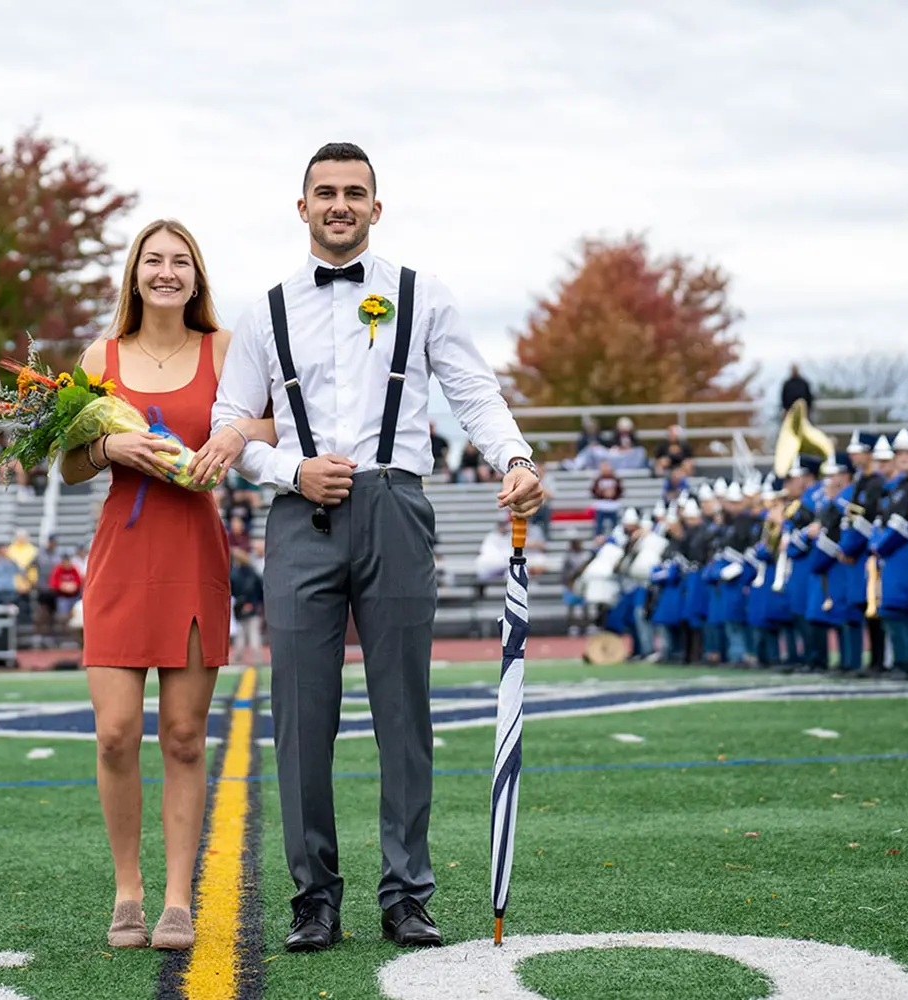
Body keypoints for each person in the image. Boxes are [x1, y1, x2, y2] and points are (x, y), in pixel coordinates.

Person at [200, 143, 547, 953]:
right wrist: (291, 468)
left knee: (403, 713)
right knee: (300, 717)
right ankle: (313, 896)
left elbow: (473, 392)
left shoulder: (423, 297)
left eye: (355, 193)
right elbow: (227, 426)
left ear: (376, 208)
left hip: (396, 506)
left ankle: (406, 893)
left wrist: (517, 458)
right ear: (302, 208)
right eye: (326, 193)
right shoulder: (267, 310)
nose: (340, 205)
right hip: (299, 517)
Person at [56, 218, 277, 952]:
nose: (166, 272)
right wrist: (107, 444)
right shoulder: (101, 353)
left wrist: (236, 435)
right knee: (116, 733)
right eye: (153, 260)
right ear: (135, 273)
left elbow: (278, 424)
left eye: (180, 261)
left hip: (193, 549)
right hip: (122, 554)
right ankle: (128, 892)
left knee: (183, 737)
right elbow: (69, 464)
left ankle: (178, 900)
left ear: (196, 276)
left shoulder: (224, 348)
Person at [230, 547, 264, 665]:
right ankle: (257, 659)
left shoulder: (236, 574)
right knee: (253, 634)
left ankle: (238, 658)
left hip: (242, 606)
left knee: (242, 635)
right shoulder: (252, 573)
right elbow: (260, 590)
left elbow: (233, 590)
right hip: (250, 607)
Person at [590, 460, 623, 537]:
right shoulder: (598, 479)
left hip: (613, 505)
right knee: (599, 523)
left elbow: (620, 491)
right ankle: (598, 537)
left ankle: (616, 536)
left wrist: (613, 494)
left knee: (615, 523)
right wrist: (602, 493)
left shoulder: (615, 479)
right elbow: (593, 491)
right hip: (602, 505)